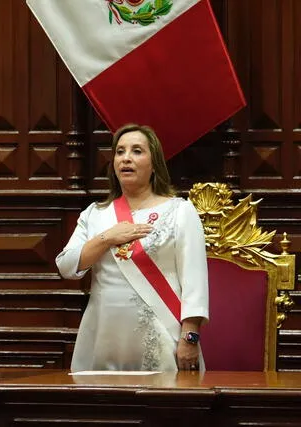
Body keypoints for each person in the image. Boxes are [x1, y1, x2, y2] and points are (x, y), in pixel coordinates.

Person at [56, 123, 208, 372]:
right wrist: (107, 237)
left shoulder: (179, 211)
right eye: (120, 151)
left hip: (162, 335)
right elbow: (66, 266)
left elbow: (195, 282)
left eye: (137, 151)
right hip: (104, 337)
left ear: (154, 163)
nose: (126, 158)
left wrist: (190, 338)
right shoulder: (96, 214)